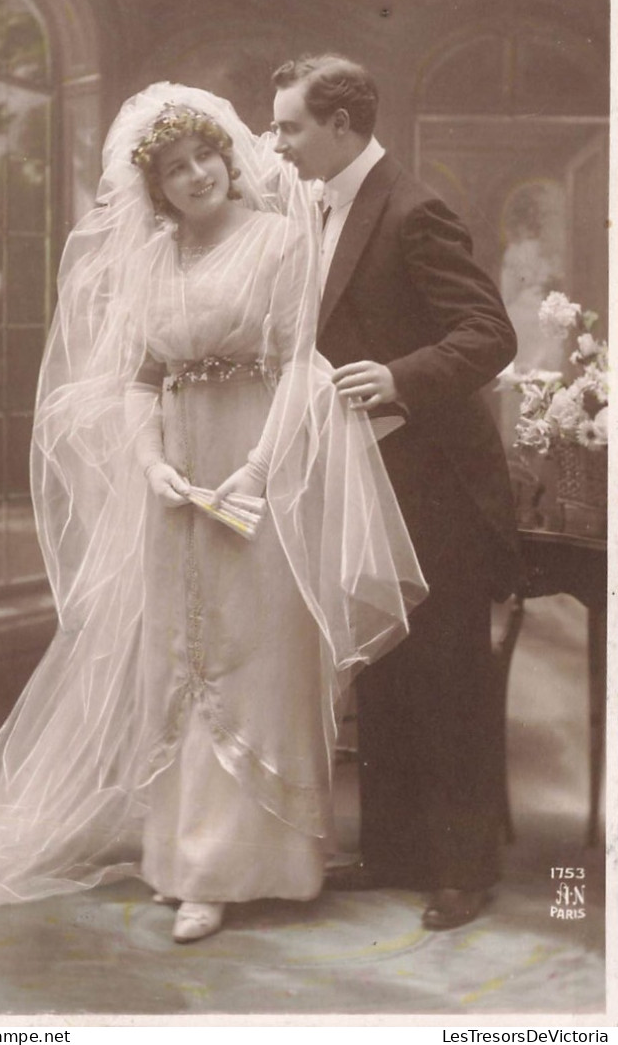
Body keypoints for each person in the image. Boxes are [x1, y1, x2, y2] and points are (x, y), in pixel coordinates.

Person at [0, 83, 426, 943]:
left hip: (261, 471)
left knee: (258, 659)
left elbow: (300, 366)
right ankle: (190, 866)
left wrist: (257, 473)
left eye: (205, 158)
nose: (195, 176)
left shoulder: (278, 241)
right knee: (180, 660)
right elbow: (143, 378)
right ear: (152, 188)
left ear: (231, 160)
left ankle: (261, 865)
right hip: (177, 478)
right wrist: (153, 465)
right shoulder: (152, 260)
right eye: (173, 169)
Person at [271, 54, 519, 930]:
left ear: (341, 125)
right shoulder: (322, 204)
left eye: (291, 126)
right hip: (371, 477)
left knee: (448, 671)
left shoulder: (413, 209)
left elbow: (490, 335)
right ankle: (395, 852)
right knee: (382, 662)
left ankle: (462, 869)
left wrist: (398, 376)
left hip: (438, 482)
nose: (278, 142)